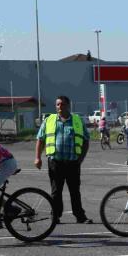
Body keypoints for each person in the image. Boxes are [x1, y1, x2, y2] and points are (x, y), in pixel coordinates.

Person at [35, 95, 92, 225]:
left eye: (62, 104)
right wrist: (37, 158)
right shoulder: (49, 120)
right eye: (58, 104)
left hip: (73, 162)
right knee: (56, 191)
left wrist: (81, 159)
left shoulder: (77, 120)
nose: (60, 107)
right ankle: (55, 216)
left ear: (68, 105)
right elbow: (40, 139)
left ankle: (80, 216)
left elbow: (86, 140)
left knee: (75, 191)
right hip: (55, 162)